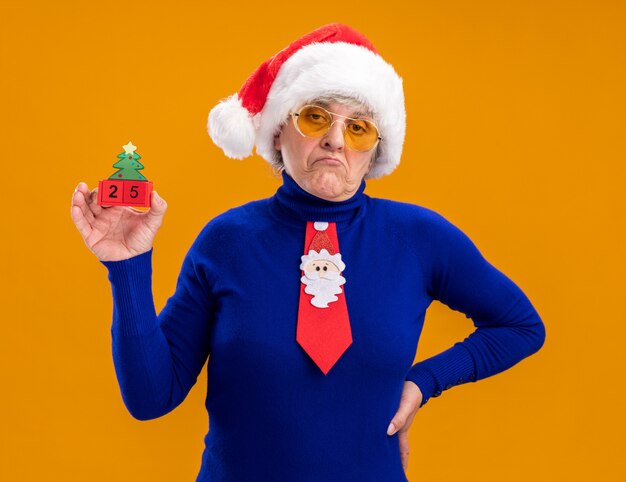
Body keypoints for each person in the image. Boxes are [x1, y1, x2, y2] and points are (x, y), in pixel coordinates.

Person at [71, 23, 545, 482]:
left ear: (375, 150)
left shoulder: (419, 237)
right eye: (316, 116)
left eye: (358, 128)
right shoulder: (226, 241)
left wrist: (425, 382)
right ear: (279, 130)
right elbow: (150, 396)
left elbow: (521, 326)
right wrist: (127, 266)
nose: (335, 140)